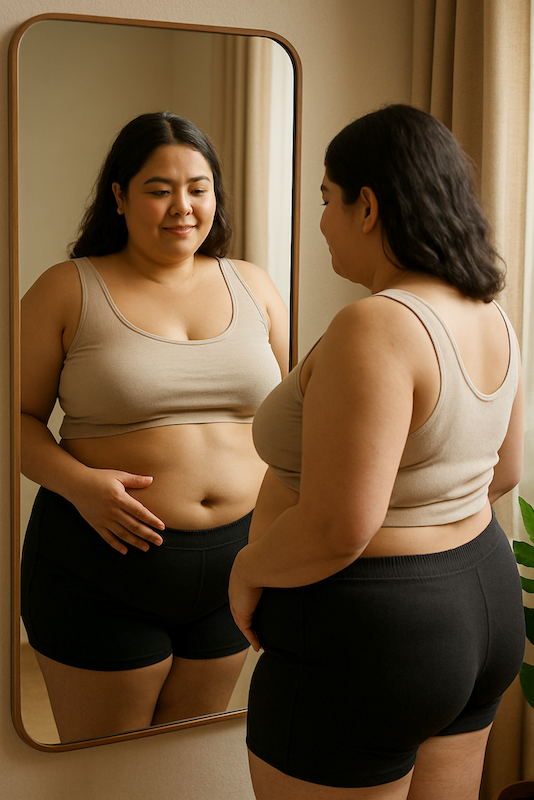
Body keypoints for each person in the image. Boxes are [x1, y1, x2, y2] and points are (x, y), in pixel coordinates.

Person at [229, 104, 526, 800]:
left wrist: (248, 567)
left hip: (375, 635)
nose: (322, 219)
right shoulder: (489, 312)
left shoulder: (377, 325)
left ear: (369, 207)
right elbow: (504, 471)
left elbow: (340, 527)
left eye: (328, 200)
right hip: (482, 602)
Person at [20, 111, 288, 742]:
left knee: (182, 766)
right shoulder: (67, 289)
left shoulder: (254, 285)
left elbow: (295, 415)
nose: (183, 207)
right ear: (118, 196)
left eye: (198, 188)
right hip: (102, 562)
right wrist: (82, 487)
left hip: (237, 563)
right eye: (159, 189)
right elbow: (16, 419)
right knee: (110, 772)